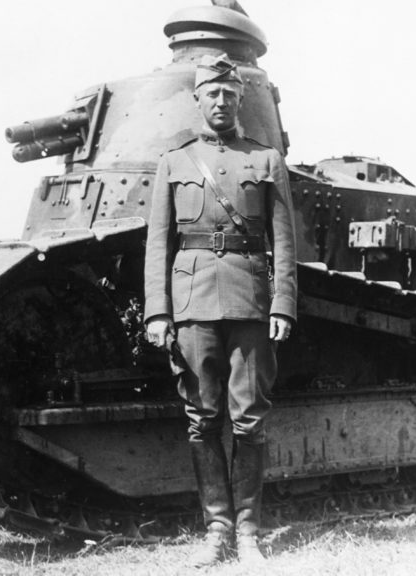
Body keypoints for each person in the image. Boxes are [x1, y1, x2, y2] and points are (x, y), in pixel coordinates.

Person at [144, 53, 297, 566]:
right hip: (192, 306)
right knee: (202, 420)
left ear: (240, 100)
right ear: (198, 98)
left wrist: (283, 303)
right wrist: (157, 312)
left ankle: (249, 532)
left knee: (250, 421)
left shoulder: (266, 159)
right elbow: (158, 246)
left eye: (230, 95)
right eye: (212, 93)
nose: (221, 102)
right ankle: (217, 530)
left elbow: (284, 241)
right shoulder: (175, 162)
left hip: (251, 301)